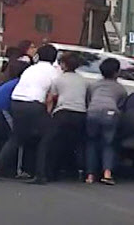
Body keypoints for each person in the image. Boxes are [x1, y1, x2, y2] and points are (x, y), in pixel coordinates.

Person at [0, 44, 59, 184]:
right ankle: (40, 174)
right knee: (46, 136)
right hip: (34, 104)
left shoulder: (30, 69)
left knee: (16, 137)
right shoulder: (54, 72)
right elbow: (52, 96)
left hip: (16, 101)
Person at [85, 58, 128, 186]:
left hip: (92, 113)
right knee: (109, 143)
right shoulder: (121, 89)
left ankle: (90, 175)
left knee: (91, 142)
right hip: (110, 113)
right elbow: (121, 106)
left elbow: (89, 100)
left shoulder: (93, 85)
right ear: (116, 72)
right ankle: (107, 174)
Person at [47, 52, 88, 180]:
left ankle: (52, 172)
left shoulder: (58, 79)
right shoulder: (84, 81)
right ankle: (77, 171)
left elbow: (50, 98)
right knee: (77, 144)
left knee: (56, 143)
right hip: (80, 113)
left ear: (63, 65)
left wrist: (49, 114)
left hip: (63, 112)